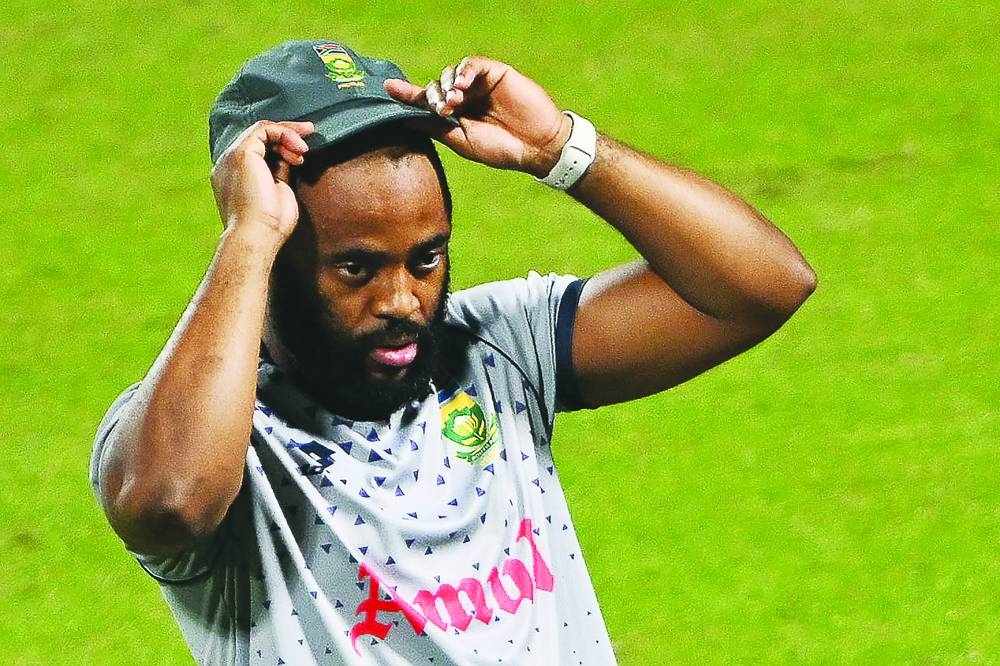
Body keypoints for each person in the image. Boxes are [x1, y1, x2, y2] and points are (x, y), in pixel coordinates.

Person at [90, 39, 815, 665]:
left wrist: (563, 149)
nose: (403, 301)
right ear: (277, 255)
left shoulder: (497, 348)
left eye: (427, 258)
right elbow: (170, 507)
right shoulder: (215, 437)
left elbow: (764, 287)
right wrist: (245, 240)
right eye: (356, 269)